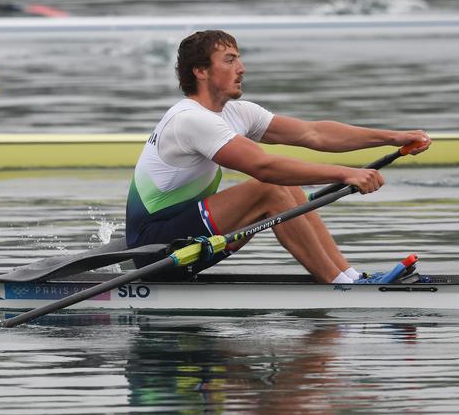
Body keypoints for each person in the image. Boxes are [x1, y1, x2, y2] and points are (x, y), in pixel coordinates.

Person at [125, 30, 431, 283]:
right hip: (156, 250)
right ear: (201, 71)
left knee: (288, 188)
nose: (241, 68)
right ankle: (340, 284)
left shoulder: (238, 113)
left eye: (239, 60)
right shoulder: (190, 119)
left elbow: (314, 134)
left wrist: (394, 137)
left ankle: (349, 276)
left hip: (185, 238)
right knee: (270, 188)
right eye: (229, 60)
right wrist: (345, 173)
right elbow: (264, 167)